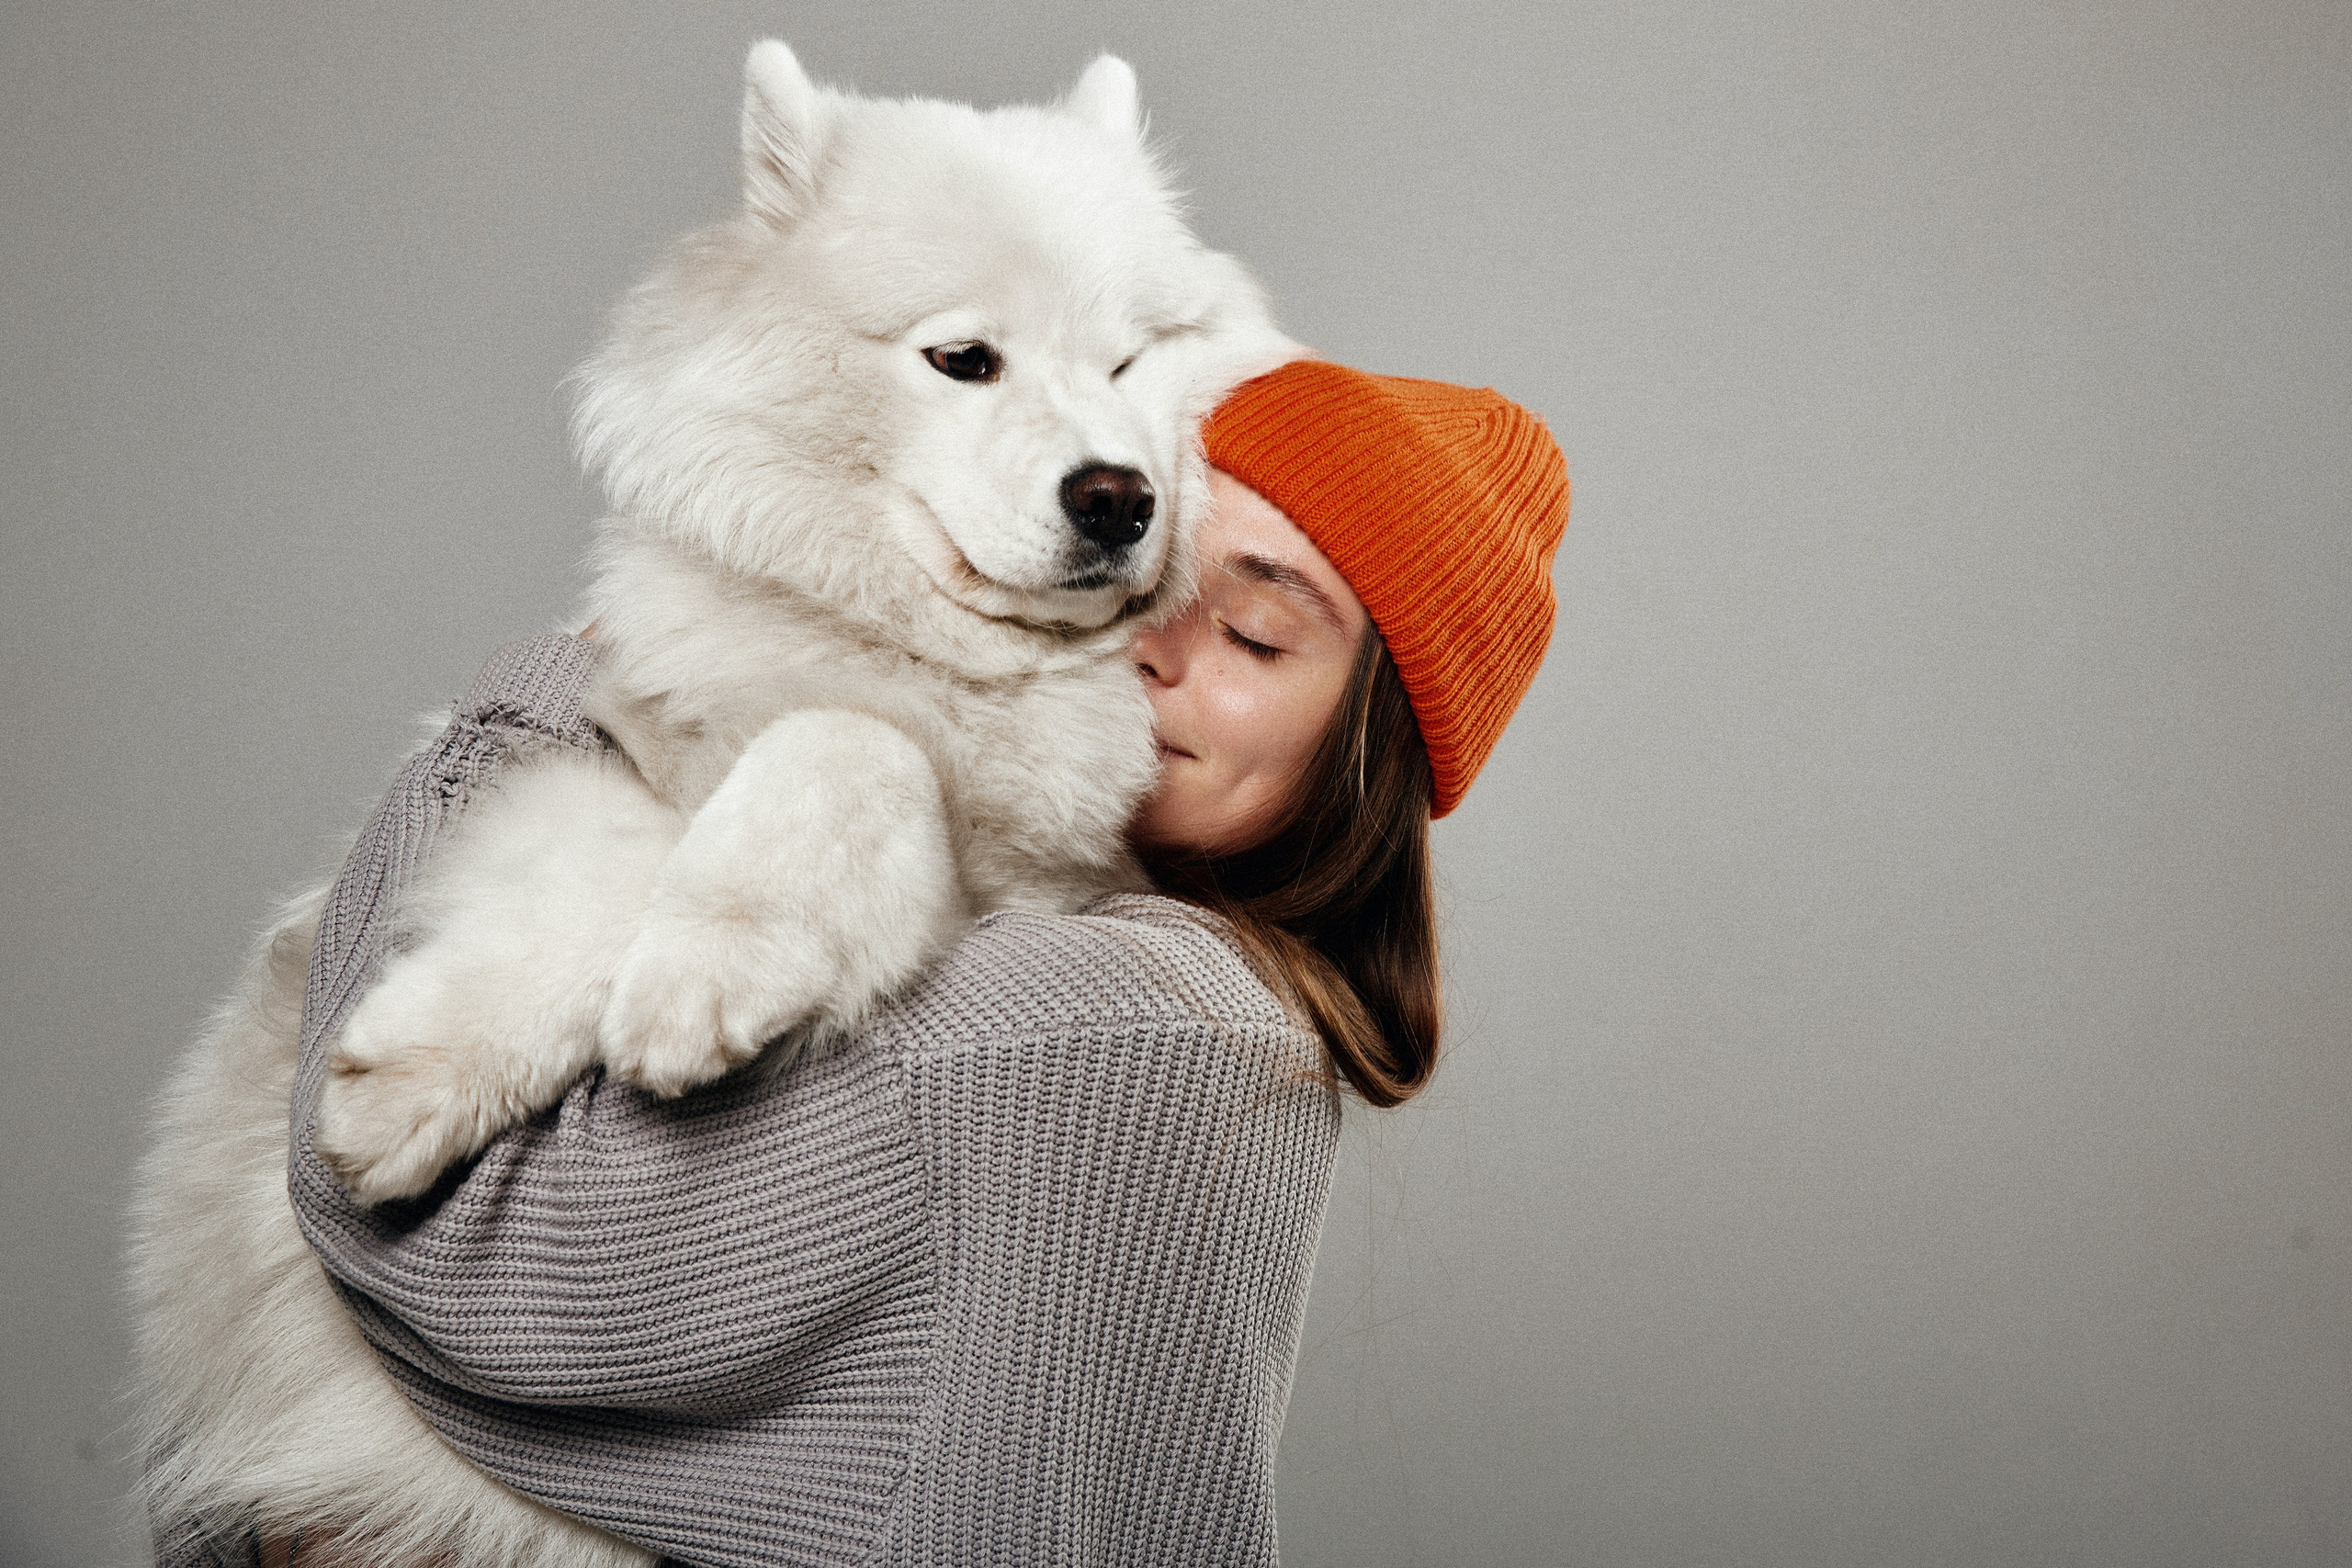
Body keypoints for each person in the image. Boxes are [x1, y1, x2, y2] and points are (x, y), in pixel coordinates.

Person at [259, 359, 1567, 1567]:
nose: (1157, 645)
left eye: (1258, 639)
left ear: (1369, 754)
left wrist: (568, 692)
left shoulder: (1119, 1021)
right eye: (1153, 571)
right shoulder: (1194, 1013)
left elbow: (443, 1230)